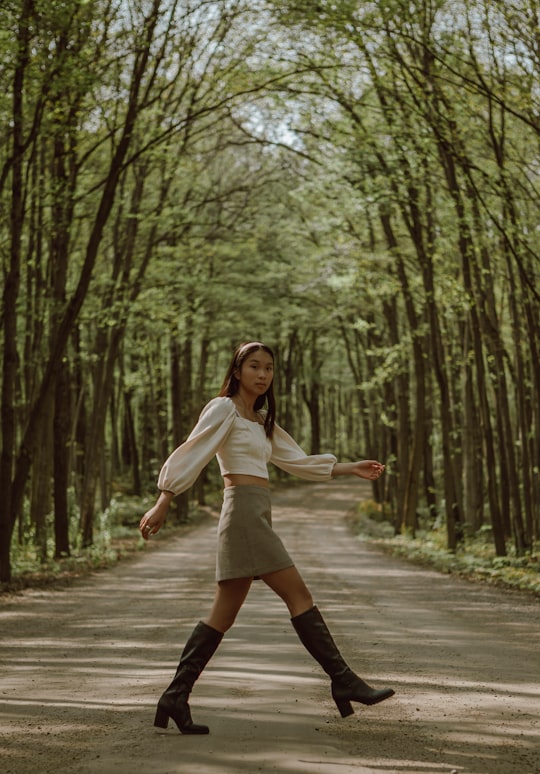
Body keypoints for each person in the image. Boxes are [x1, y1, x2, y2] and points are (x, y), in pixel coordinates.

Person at [139, 341, 394, 735]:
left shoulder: (260, 420)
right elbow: (193, 450)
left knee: (222, 614)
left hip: (255, 512)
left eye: (269, 368)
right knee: (299, 596)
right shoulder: (223, 409)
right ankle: (343, 680)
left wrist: (349, 468)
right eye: (254, 366)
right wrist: (164, 499)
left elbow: (297, 461)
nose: (262, 374)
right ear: (237, 371)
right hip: (243, 514)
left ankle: (175, 695)